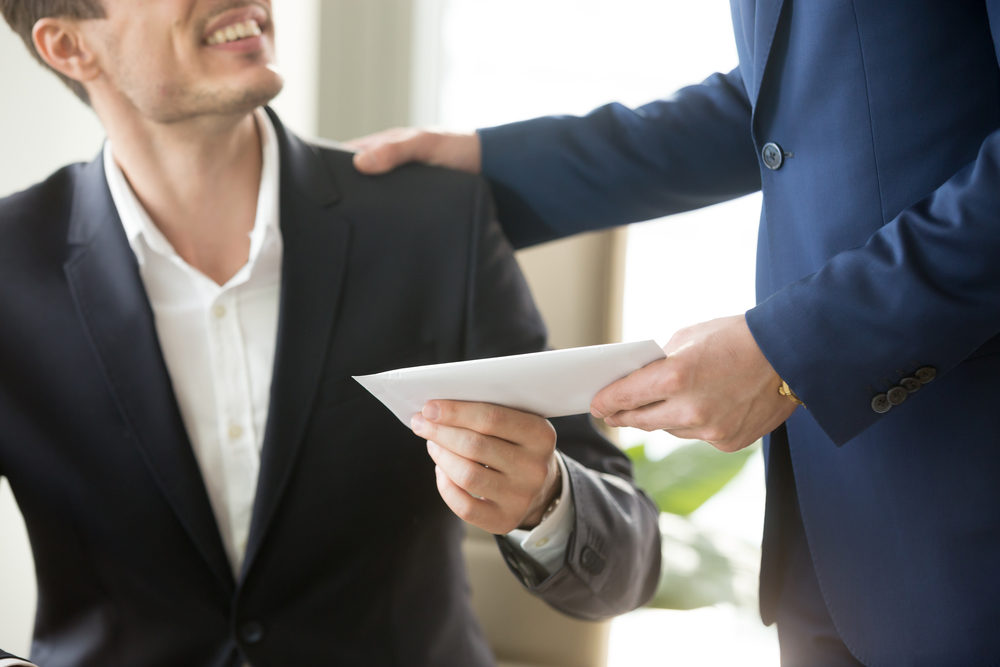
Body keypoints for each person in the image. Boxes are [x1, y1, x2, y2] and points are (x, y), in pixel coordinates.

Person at [0, 1, 661, 665]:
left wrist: (543, 500)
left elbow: (630, 557)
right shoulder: (9, 269)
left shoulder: (433, 221)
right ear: (69, 46)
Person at [350, 2, 1000, 666]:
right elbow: (790, 96)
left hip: (967, 502)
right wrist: (489, 165)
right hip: (834, 535)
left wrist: (791, 351)